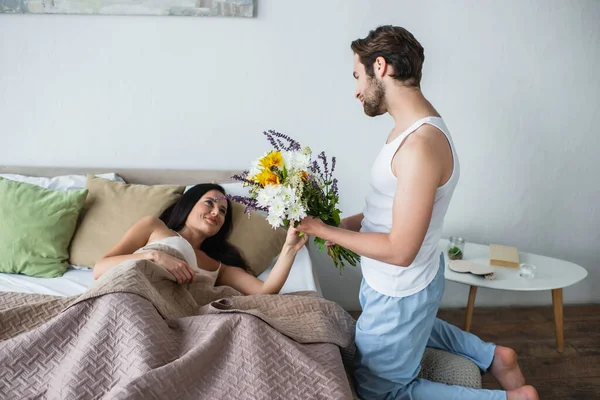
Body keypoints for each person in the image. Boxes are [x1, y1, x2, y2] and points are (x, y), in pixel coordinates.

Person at [296, 26, 538, 400]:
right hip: (406, 285)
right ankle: (493, 357)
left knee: (381, 393)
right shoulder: (407, 130)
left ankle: (512, 398)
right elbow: (391, 208)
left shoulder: (420, 147)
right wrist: (344, 226)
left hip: (400, 288)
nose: (356, 90)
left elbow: (400, 249)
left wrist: (322, 230)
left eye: (358, 77)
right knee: (417, 321)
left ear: (381, 67)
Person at [93, 183, 308, 295]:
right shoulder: (154, 227)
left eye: (223, 211)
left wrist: (290, 247)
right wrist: (154, 257)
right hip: (126, 292)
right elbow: (99, 269)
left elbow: (265, 291)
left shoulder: (219, 267)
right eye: (210, 203)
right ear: (190, 204)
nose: (216, 212)